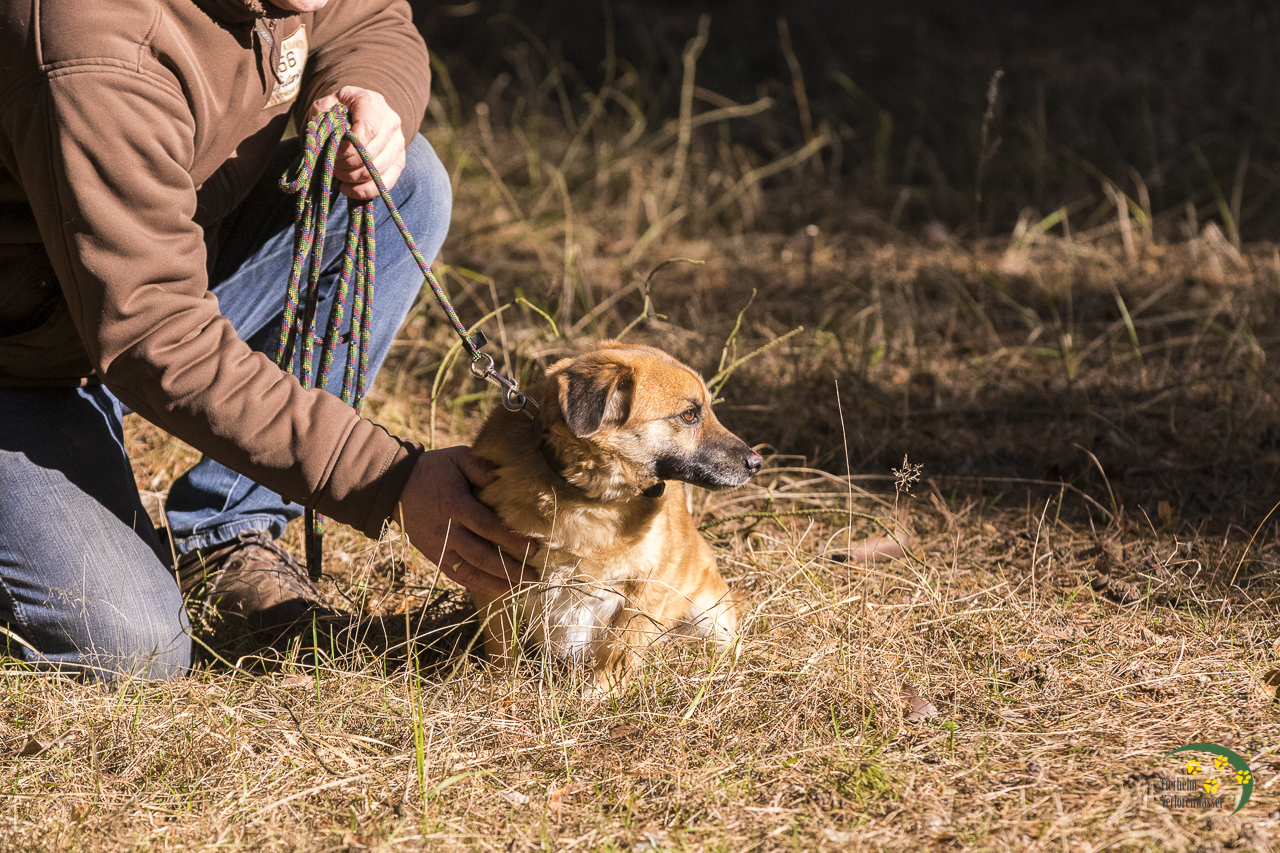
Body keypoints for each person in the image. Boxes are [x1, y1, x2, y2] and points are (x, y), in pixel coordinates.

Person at [0, 0, 535, 681]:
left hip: (110, 300)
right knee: (130, 646)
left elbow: (370, 20)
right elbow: (156, 335)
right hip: (24, 363)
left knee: (409, 185)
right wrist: (388, 479)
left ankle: (227, 531)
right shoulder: (88, 41)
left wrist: (367, 88)